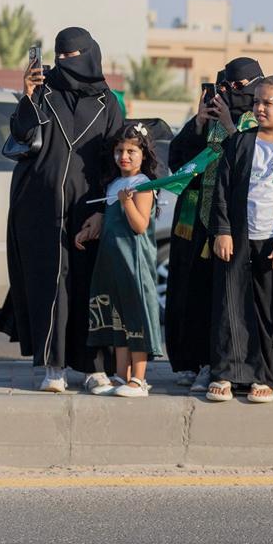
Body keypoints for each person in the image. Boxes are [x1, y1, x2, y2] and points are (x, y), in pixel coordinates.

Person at [2, 27, 125, 392]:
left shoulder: (107, 101)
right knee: (49, 282)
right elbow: (22, 135)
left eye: (74, 55)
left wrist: (105, 209)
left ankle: (92, 367)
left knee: (89, 284)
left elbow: (114, 158)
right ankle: (53, 367)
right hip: (41, 204)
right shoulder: (43, 90)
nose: (66, 62)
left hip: (89, 204)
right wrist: (26, 95)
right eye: (61, 56)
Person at [206, 76, 273, 403]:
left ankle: (263, 377)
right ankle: (225, 373)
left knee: (271, 312)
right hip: (238, 238)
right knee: (230, 306)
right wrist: (222, 231)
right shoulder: (239, 143)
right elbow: (221, 190)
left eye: (268, 103)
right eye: (257, 101)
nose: (260, 108)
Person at [165, 58, 263, 393]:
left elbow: (254, 162)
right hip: (195, 219)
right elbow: (177, 160)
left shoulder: (257, 118)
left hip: (235, 223)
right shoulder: (209, 119)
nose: (233, 94)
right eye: (229, 87)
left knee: (222, 297)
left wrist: (230, 126)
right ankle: (190, 360)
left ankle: (218, 363)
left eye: (240, 87)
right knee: (190, 291)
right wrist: (198, 123)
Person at [82, 124, 163, 397]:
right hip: (112, 261)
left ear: (144, 154)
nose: (124, 156)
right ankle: (120, 375)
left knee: (135, 317)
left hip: (134, 262)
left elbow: (139, 225)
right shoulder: (114, 184)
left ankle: (139, 379)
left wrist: (127, 202)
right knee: (118, 319)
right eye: (119, 150)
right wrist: (92, 225)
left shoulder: (143, 185)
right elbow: (110, 218)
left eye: (131, 151)